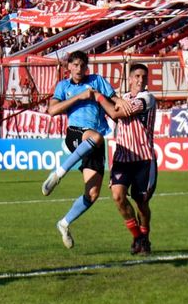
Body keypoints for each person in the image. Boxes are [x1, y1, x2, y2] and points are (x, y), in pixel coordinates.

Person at [40, 51, 130, 249]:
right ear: (69, 67)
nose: (79, 69)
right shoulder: (63, 86)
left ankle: (64, 223)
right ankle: (58, 174)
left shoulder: (97, 80)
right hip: (76, 132)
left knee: (93, 193)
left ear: (86, 67)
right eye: (75, 65)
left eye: (82, 65)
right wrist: (79, 97)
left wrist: (122, 102)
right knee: (96, 137)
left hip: (95, 140)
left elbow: (114, 99)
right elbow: (52, 110)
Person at [95, 64, 157, 255]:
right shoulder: (122, 99)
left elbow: (116, 113)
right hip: (122, 157)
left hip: (143, 158)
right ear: (129, 79)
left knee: (141, 203)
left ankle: (144, 237)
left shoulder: (147, 98)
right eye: (137, 76)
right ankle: (139, 238)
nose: (140, 80)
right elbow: (112, 114)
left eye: (144, 77)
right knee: (118, 196)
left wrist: (98, 97)